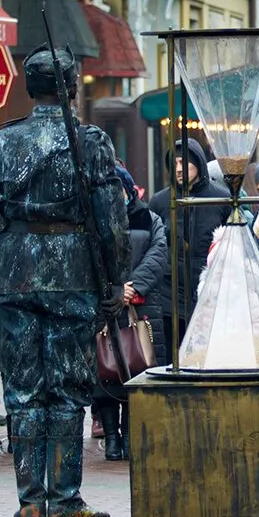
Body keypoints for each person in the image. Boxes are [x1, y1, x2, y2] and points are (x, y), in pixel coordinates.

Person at [0, 46, 129, 517]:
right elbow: (111, 220)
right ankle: (62, 500)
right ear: (72, 88)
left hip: (15, 272)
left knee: (22, 391)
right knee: (65, 389)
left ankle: (30, 500)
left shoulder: (0, 141)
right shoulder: (90, 141)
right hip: (71, 273)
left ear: (29, 86)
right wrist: (114, 278)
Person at [98, 172, 168, 461]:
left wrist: (133, 287)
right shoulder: (94, 222)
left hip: (143, 306)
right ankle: (112, 436)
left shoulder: (149, 219)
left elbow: (159, 253)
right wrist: (113, 289)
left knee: (140, 364)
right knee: (104, 371)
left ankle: (130, 433)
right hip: (104, 306)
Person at [146, 136, 231, 357]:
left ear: (199, 163)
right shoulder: (160, 202)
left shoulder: (221, 199)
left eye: (184, 162)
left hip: (210, 290)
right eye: (173, 164)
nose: (179, 169)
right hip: (169, 292)